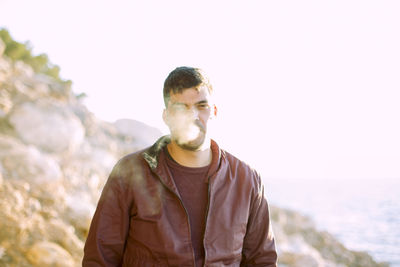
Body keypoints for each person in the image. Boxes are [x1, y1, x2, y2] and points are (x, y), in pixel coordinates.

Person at [83, 66, 278, 266]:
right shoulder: (130, 172)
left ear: (214, 111)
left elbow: (262, 260)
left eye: (201, 106)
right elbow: (99, 258)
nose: (193, 116)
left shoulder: (247, 180)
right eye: (181, 107)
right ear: (166, 116)